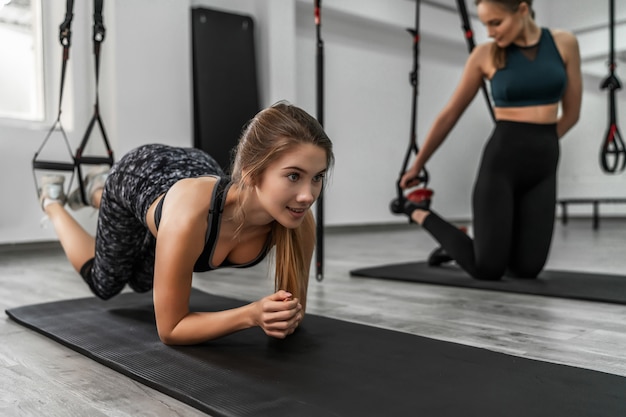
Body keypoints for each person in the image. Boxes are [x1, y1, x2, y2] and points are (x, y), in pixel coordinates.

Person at [38, 101, 334, 345]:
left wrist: (281, 316)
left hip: (195, 168)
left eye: (317, 177)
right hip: (140, 173)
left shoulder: (299, 221)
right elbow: (171, 329)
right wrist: (251, 315)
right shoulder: (191, 215)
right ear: (252, 173)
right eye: (294, 176)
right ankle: (57, 201)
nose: (308, 196)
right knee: (107, 283)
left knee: (142, 280)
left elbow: (292, 315)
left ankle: (94, 190)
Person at [399, 0, 582, 280]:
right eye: (485, 24)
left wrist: (539, 144)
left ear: (522, 9)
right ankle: (418, 212)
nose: (490, 32)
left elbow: (572, 113)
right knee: (488, 269)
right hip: (501, 166)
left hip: (543, 168)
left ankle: (472, 243)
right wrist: (417, 165)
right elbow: (449, 115)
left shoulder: (564, 43)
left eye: (496, 22)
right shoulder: (484, 55)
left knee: (527, 269)